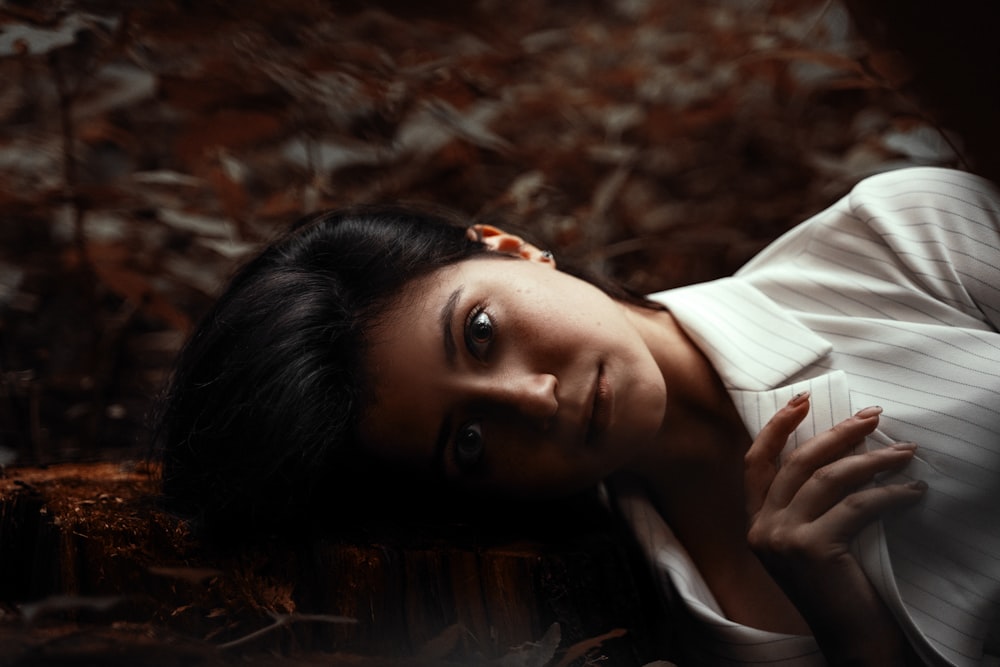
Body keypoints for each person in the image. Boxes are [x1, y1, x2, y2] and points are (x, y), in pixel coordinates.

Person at [156, 166, 1000, 665]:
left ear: (510, 247)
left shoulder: (902, 238)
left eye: (479, 334)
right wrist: (853, 628)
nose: (534, 400)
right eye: (471, 440)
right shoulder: (675, 617)